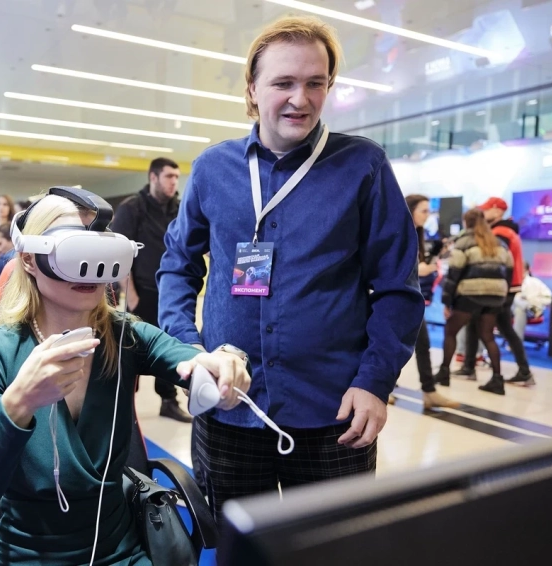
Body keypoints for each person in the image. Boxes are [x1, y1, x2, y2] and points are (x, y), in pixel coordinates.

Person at [157, 15, 423, 521]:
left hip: (335, 414)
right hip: (230, 408)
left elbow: (397, 288)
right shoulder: (213, 169)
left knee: (333, 550)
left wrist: (375, 381)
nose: (300, 99)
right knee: (239, 549)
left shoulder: (362, 167)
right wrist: (189, 350)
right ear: (252, 89)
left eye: (315, 83)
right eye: (283, 83)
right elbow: (178, 265)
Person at [0, 193, 251, 565]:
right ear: (29, 259)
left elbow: (192, 360)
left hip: (118, 552)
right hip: (25, 555)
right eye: (76, 251)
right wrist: (17, 405)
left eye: (102, 252)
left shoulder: (125, 336)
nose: (91, 268)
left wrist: (227, 360)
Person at [111, 157, 192, 423]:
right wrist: (131, 296)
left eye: (176, 177)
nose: (174, 182)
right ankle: (123, 407)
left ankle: (168, 401)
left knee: (170, 348)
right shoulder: (132, 207)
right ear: (153, 177)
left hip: (172, 293)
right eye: (169, 176)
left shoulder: (178, 209)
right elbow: (120, 253)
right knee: (131, 352)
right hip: (142, 292)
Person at [433, 209, 514, 395]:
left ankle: (444, 373)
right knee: (488, 336)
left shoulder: (464, 242)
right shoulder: (499, 243)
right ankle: (497, 379)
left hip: (470, 294)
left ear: (466, 222)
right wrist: (501, 291)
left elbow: (454, 273)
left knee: (451, 331)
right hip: (495, 296)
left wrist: (447, 301)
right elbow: (509, 269)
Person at [390, 195, 459, 409]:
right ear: (411, 210)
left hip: (412, 297)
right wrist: (418, 270)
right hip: (393, 298)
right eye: (424, 211)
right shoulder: (396, 231)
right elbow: (389, 267)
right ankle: (382, 389)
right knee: (391, 345)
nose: (427, 216)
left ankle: (429, 391)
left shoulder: (417, 234)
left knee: (422, 344)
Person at [455, 197, 533, 384]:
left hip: (500, 288)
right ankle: (469, 366)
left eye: (486, 209)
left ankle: (522, 371)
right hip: (504, 287)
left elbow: (494, 262)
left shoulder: (500, 232)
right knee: (478, 325)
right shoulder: (506, 231)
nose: (483, 214)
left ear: (498, 211)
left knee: (499, 329)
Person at [512, 262, 552, 351]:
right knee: (517, 300)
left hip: (530, 312)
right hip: (511, 310)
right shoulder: (512, 281)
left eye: (520, 268)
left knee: (519, 310)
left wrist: (534, 300)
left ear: (526, 270)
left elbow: (548, 298)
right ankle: (529, 307)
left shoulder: (535, 282)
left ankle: (516, 346)